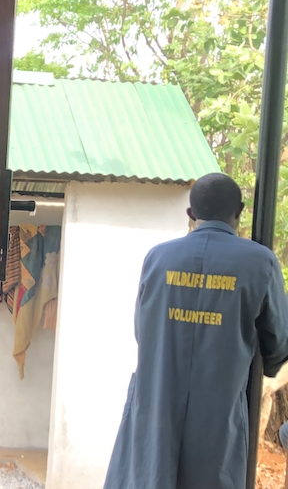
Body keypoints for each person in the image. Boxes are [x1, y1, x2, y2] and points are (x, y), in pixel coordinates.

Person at [104, 172, 288, 489]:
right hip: (218, 418)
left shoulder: (158, 258)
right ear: (239, 212)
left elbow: (143, 333)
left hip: (157, 407)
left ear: (191, 214)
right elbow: (278, 345)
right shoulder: (260, 263)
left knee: (150, 477)